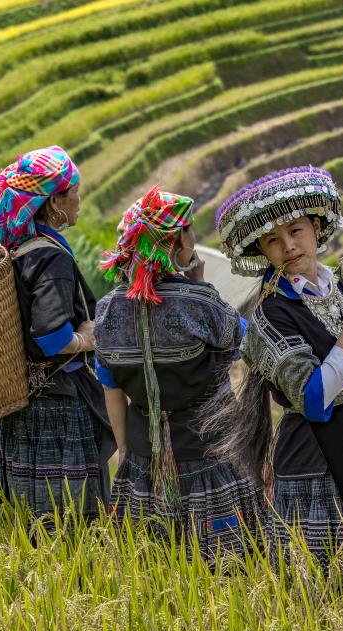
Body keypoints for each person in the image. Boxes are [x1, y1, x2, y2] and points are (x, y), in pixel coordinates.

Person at [210, 165, 343, 573]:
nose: (288, 247)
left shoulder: (333, 284)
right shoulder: (270, 314)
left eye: (295, 231)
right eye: (272, 241)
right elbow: (313, 399)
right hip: (314, 457)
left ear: (316, 227)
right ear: (261, 251)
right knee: (331, 573)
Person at [93, 186, 265, 564]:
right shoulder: (200, 302)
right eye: (188, 230)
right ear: (175, 244)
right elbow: (244, 340)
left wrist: (126, 450)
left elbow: (111, 387)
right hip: (213, 457)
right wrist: (200, 286)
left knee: (153, 569)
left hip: (144, 463)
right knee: (226, 568)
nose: (195, 239)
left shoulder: (107, 312)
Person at [0, 145, 113, 520]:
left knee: (25, 526)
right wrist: (88, 338)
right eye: (75, 192)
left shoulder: (14, 249)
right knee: (70, 526)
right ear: (55, 200)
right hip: (56, 413)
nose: (79, 199)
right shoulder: (51, 257)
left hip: (19, 403)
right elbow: (52, 337)